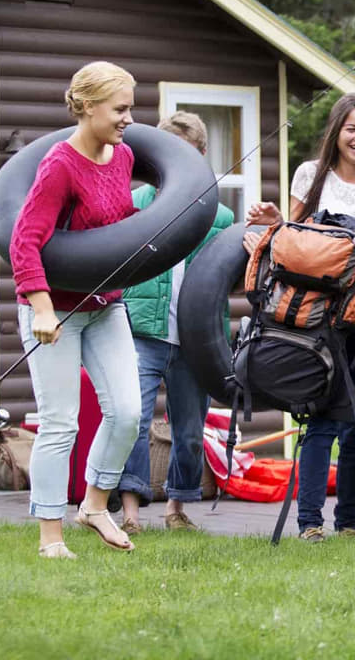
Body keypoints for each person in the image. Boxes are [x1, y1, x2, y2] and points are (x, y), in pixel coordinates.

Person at [244, 92, 355, 542]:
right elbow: (293, 238)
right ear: (336, 132)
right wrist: (276, 219)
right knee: (320, 417)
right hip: (317, 316)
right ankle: (310, 523)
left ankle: (350, 525)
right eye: (351, 129)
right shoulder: (310, 175)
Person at [10, 61, 142, 559]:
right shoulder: (59, 165)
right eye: (121, 108)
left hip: (105, 306)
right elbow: (25, 241)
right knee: (61, 421)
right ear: (88, 107)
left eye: (131, 107)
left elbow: (117, 231)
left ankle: (94, 504)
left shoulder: (124, 157)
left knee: (128, 412)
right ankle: (50, 537)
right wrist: (41, 309)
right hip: (55, 311)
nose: (129, 117)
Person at [116, 112, 234, 534]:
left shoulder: (220, 216)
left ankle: (177, 508)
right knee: (132, 420)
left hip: (195, 340)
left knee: (189, 430)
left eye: (188, 153)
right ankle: (129, 512)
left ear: (201, 156)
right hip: (144, 331)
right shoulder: (135, 204)